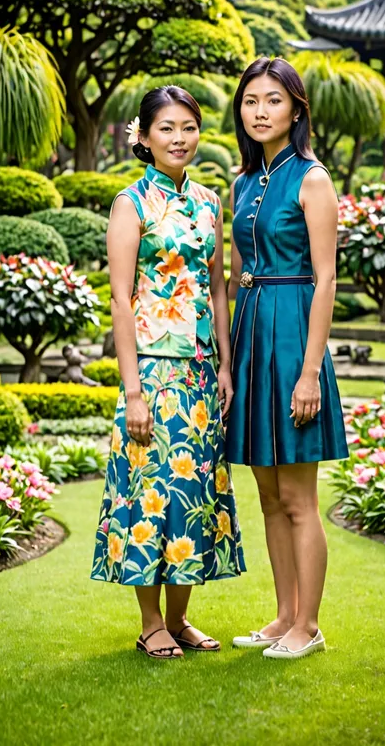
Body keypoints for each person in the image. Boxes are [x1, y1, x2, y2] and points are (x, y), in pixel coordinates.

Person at [91, 85, 245, 659]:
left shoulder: (209, 201)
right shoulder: (130, 203)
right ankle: (151, 621)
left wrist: (227, 364)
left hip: (203, 375)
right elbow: (120, 298)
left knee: (195, 492)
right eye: (167, 129)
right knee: (150, 492)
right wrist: (132, 391)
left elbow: (217, 289)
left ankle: (180, 620)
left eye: (188, 127)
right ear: (145, 137)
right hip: (152, 374)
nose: (179, 139)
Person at [226, 57, 349, 660]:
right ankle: (283, 617)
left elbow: (326, 280)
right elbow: (236, 274)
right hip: (251, 337)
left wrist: (308, 372)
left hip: (293, 334)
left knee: (300, 497)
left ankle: (311, 625)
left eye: (272, 101)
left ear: (296, 109)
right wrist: (229, 364)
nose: (260, 112)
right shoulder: (242, 182)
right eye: (250, 101)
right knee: (269, 494)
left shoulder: (313, 179)